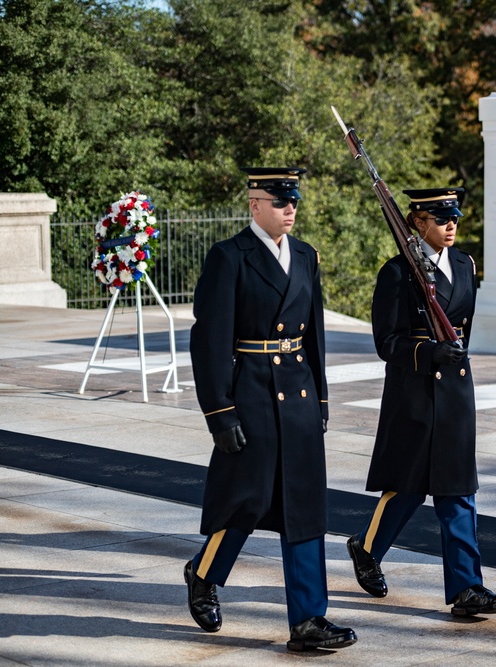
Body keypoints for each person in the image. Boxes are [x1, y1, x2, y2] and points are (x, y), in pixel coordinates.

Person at [184, 167, 357, 652]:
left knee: (303, 507)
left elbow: (314, 334)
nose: (290, 208)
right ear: (254, 204)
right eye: (280, 201)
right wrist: (219, 411)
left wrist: (321, 399)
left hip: (298, 396)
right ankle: (203, 573)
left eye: (294, 200)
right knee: (248, 499)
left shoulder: (305, 255)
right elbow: (210, 339)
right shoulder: (229, 257)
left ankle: (308, 620)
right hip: (253, 394)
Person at [346, 187, 496, 617]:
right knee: (406, 487)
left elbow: (462, 323)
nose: (451, 225)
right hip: (414, 391)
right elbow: (387, 343)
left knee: (458, 489)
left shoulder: (464, 264)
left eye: (454, 216)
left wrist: (453, 355)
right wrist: (427, 353)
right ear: (418, 223)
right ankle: (366, 548)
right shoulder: (397, 272)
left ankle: (466, 588)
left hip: (455, 389)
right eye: (441, 219)